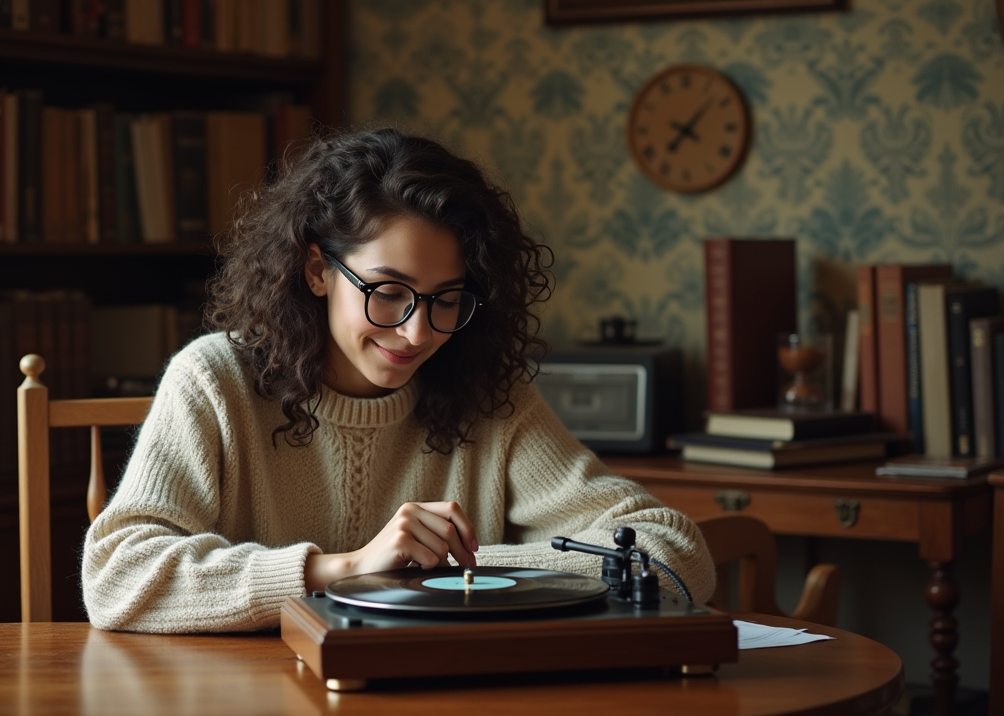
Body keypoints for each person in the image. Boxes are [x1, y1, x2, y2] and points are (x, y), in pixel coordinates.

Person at [81, 127, 715, 633]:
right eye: (388, 292)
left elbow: (671, 551)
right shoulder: (216, 380)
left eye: (447, 298)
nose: (417, 333)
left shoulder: (489, 397)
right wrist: (344, 570)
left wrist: (450, 574)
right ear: (317, 270)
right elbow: (116, 577)